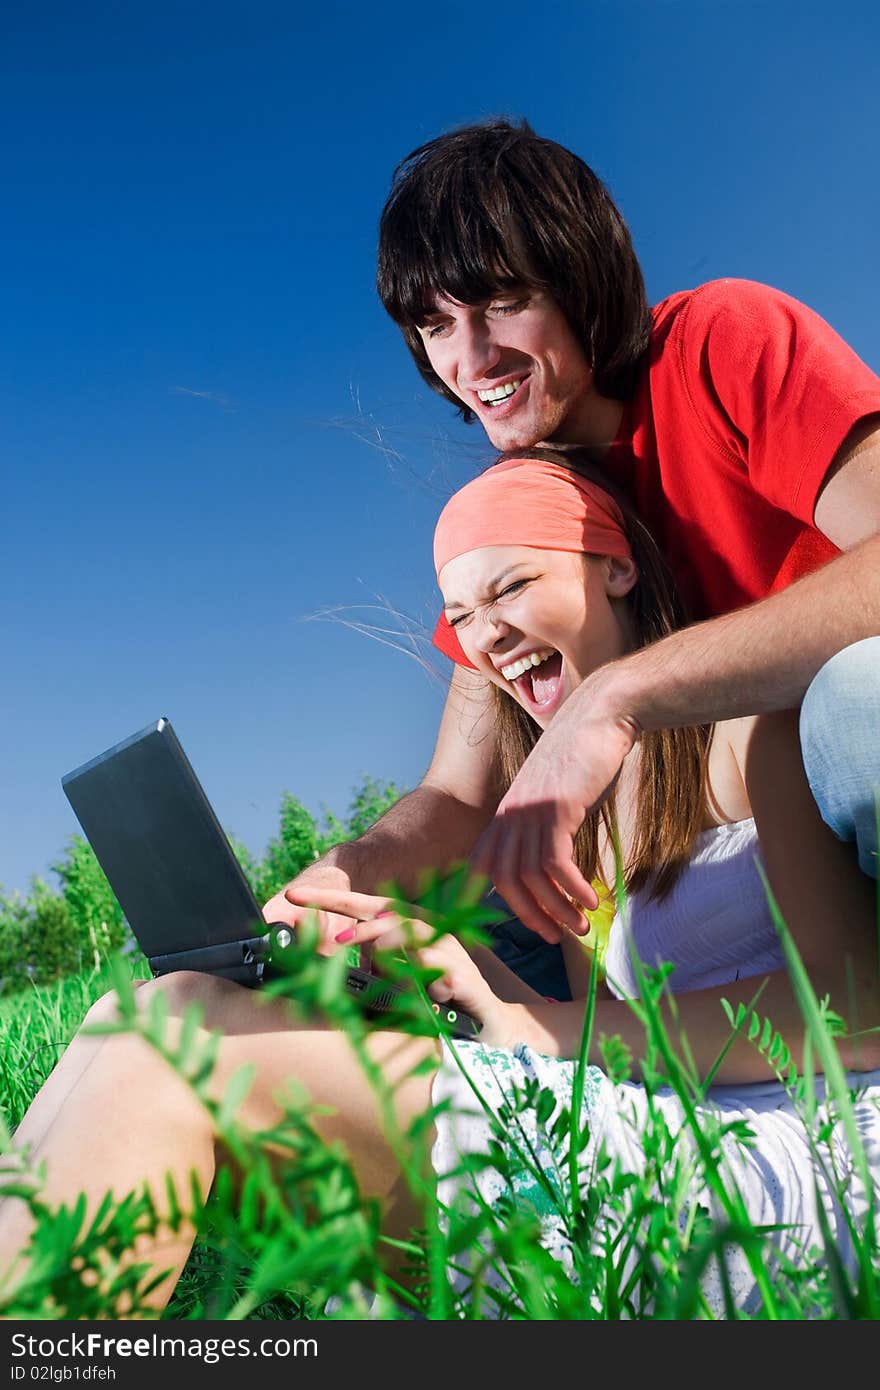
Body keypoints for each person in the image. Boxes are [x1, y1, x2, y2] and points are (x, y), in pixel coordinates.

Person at [1, 453, 878, 1318]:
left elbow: (856, 1013)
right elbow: (589, 1043)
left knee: (177, 1032)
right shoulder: (566, 813)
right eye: (461, 614)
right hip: (652, 1128)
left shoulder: (750, 729)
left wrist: (528, 1026)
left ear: (617, 569)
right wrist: (457, 981)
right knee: (134, 1013)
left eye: (509, 590)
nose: (484, 634)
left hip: (795, 1165)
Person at [264, 118, 880, 988]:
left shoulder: (719, 342)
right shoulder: (525, 507)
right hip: (716, 872)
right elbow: (457, 794)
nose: (472, 359)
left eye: (502, 304)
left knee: (861, 706)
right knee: (442, 940)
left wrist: (618, 697)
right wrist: (348, 872)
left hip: (834, 800)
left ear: (581, 282)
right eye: (436, 326)